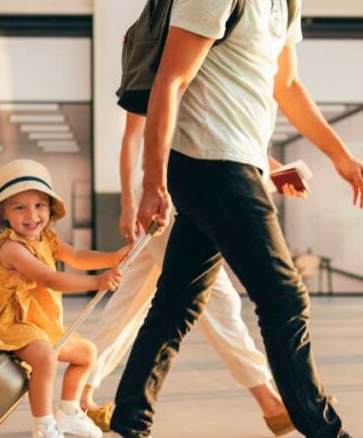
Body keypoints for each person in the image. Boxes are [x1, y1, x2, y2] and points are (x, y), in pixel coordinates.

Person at [110, 0, 363, 437]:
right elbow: (170, 83)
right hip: (211, 165)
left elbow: (286, 88)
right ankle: (326, 432)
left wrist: (341, 157)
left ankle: (127, 425)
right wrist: (152, 181)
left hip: (238, 164)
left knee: (176, 305)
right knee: (283, 297)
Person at [79, 112, 305, 436]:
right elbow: (133, 137)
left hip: (190, 190)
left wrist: (275, 170)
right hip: (162, 194)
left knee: (131, 301)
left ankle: (79, 395)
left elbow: (220, 135)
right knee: (216, 298)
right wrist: (129, 204)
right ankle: (269, 403)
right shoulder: (159, 66)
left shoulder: (207, 73)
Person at [0, 159, 126, 438]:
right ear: (3, 213)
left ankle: (69, 411)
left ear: (49, 208)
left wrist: (113, 257)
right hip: (11, 322)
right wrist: (97, 281)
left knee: (86, 353)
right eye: (19, 207)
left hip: (39, 321)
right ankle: (43, 426)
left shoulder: (47, 238)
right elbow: (50, 279)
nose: (31, 214)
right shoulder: (11, 247)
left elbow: (78, 257)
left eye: (39, 205)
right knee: (45, 358)